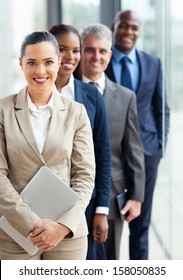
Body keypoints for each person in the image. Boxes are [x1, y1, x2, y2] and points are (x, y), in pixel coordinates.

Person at [0, 30, 96, 260]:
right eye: (32, 62)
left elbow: (85, 176)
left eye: (48, 62)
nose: (40, 71)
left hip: (67, 236)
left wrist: (61, 227)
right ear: (21, 64)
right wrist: (31, 223)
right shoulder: (3, 111)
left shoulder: (76, 112)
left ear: (59, 63)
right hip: (15, 235)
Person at [105, 10, 170, 259]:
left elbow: (161, 108)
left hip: (147, 154)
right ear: (114, 26)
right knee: (109, 227)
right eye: (124, 26)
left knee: (141, 227)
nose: (129, 32)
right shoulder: (102, 59)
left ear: (139, 31)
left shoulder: (153, 63)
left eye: (134, 27)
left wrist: (159, 147)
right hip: (111, 157)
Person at [80, 23, 145, 260]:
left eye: (102, 51)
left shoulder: (126, 97)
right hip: (73, 197)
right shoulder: (66, 92)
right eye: (89, 49)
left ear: (110, 55)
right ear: (80, 51)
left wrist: (137, 197)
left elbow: (134, 151)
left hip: (112, 196)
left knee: (110, 262)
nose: (95, 56)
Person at [49, 24, 111, 259]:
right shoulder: (34, 93)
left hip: (86, 202)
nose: (70, 57)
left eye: (76, 50)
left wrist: (102, 210)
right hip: (45, 200)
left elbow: (102, 154)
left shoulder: (92, 96)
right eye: (62, 49)